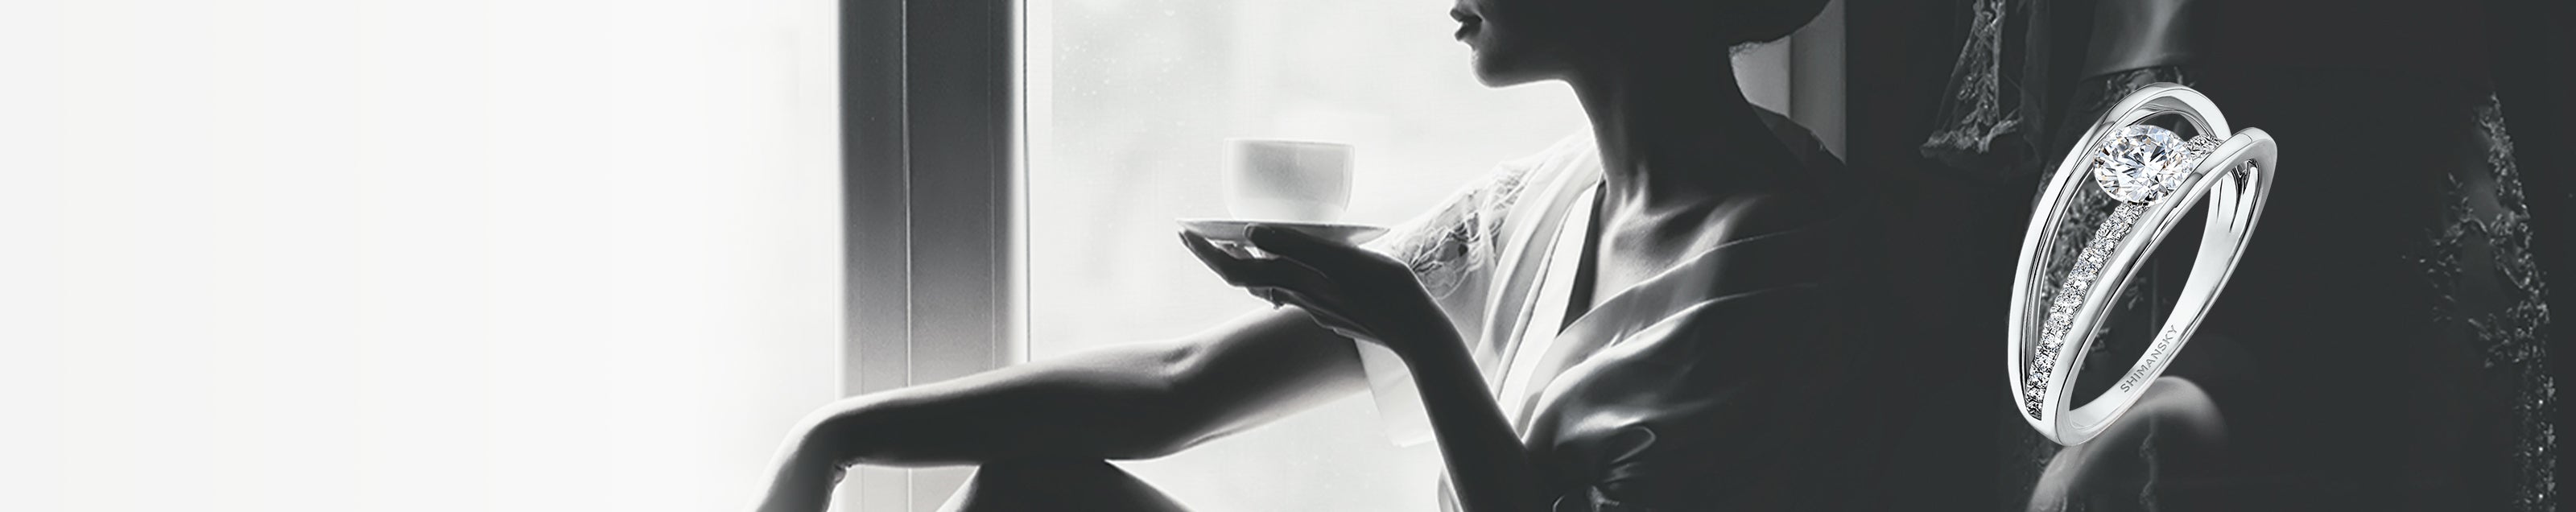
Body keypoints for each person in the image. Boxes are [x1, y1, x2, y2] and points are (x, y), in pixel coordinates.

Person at [747, 0, 1895, 510]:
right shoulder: (1546, 198)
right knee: (1027, 496)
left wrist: (1417, 335)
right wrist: (837, 437)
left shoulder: (1774, 259)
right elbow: (1176, 388)